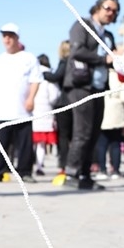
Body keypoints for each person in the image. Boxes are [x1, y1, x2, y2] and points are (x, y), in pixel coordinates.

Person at [62, 0, 119, 191]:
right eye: (107, 8)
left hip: (99, 88)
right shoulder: (82, 26)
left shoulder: (108, 35)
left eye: (114, 10)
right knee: (82, 132)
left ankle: (85, 175)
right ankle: (71, 174)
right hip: (81, 86)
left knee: (94, 133)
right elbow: (77, 52)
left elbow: (113, 59)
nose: (111, 12)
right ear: (97, 7)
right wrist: (105, 60)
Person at [0, 23, 42, 184]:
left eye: (10, 36)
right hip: (2, 110)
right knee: (0, 144)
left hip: (22, 110)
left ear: (17, 38)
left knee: (24, 144)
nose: (7, 39)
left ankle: (25, 171)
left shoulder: (29, 58)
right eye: (4, 36)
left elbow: (35, 80)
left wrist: (31, 98)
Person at [95, 66, 124, 180]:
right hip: (117, 113)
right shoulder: (119, 76)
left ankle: (102, 169)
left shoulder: (99, 74)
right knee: (115, 144)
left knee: (102, 144)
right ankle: (115, 170)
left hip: (102, 111)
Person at [44, 40, 71, 176]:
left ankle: (64, 164)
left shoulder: (64, 62)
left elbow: (56, 76)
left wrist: (44, 73)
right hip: (76, 101)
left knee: (64, 136)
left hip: (64, 103)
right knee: (74, 135)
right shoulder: (77, 63)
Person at [32, 54, 60, 176]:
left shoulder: (33, 75)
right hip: (46, 112)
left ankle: (27, 164)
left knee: (31, 141)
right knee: (41, 144)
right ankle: (39, 165)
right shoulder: (50, 77)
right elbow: (54, 95)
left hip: (31, 111)